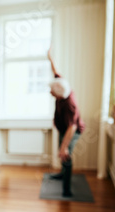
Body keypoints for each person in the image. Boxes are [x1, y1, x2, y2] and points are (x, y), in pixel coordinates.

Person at [47, 47, 85, 197]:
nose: (49, 92)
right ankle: (62, 174)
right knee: (61, 149)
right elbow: (55, 72)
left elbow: (72, 128)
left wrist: (64, 147)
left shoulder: (70, 103)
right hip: (64, 129)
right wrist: (50, 58)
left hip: (73, 131)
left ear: (58, 93)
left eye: (51, 91)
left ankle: (67, 189)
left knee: (65, 155)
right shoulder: (62, 85)